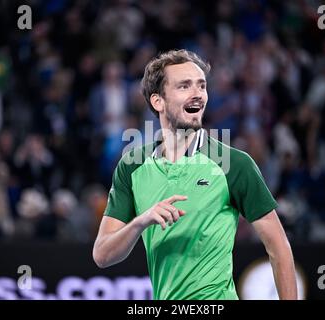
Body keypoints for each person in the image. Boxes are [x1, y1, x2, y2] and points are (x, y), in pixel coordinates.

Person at [93, 49, 297, 300]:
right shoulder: (132, 166)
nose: (198, 94)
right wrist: (141, 221)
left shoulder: (234, 163)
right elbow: (102, 255)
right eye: (184, 86)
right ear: (158, 101)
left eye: (201, 86)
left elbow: (279, 248)